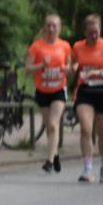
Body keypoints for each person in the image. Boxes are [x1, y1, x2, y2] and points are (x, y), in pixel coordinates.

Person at [71, 14, 103, 184]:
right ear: (84, 32)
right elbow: (73, 64)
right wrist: (72, 68)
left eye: (96, 32)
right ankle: (87, 168)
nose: (94, 36)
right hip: (85, 91)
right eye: (90, 33)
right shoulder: (78, 47)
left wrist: (101, 72)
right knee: (86, 128)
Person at [24, 14, 73, 174]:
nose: (51, 28)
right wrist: (41, 65)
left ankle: (49, 161)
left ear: (59, 28)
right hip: (42, 90)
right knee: (49, 127)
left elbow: (71, 69)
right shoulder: (36, 46)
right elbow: (28, 68)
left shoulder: (65, 46)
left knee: (53, 124)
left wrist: (68, 69)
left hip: (59, 90)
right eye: (48, 25)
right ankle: (56, 154)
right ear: (44, 27)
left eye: (54, 26)